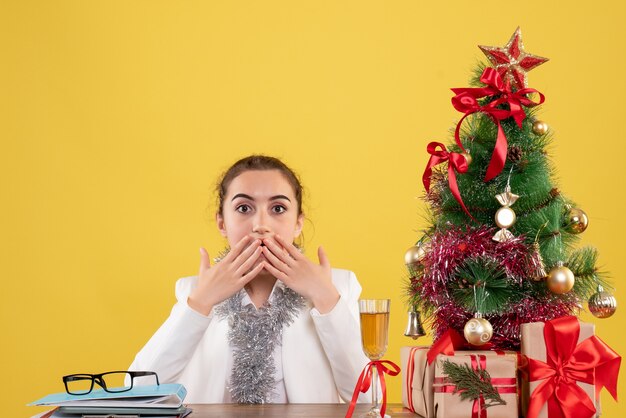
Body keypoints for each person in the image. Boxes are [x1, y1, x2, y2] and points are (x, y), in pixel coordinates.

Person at [127, 155, 370, 404]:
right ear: (222, 222)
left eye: (278, 209)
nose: (261, 225)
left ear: (298, 223)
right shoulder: (194, 290)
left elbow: (370, 398)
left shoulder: (338, 287)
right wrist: (201, 302)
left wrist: (325, 297)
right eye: (244, 208)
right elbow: (137, 391)